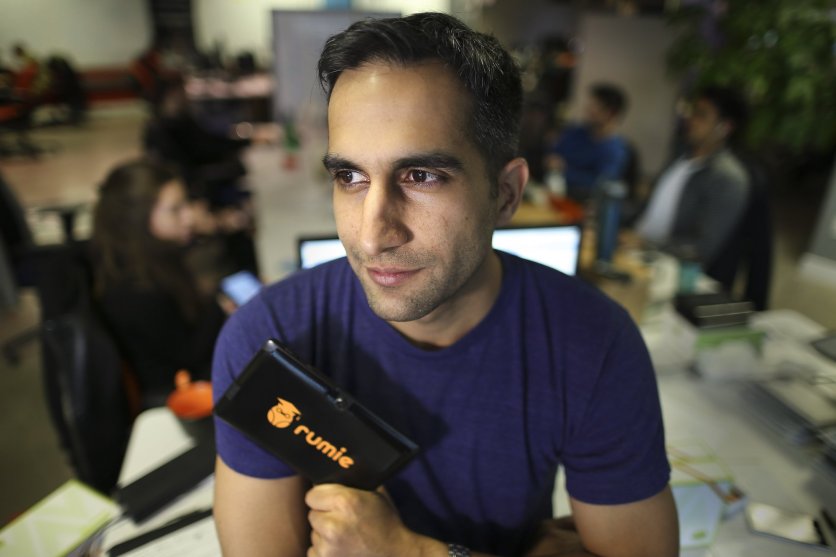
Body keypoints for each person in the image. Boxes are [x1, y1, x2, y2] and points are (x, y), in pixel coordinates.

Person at [212, 12, 677, 557]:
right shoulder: (269, 335)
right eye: (350, 176)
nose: (372, 235)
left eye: (422, 176)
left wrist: (410, 552)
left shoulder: (592, 343)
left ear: (506, 193)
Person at [92, 159, 227, 407]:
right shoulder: (135, 290)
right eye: (175, 209)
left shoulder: (151, 258)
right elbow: (188, 354)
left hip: (192, 366)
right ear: (138, 219)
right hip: (181, 391)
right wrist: (220, 306)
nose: (189, 217)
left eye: (185, 203)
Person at [635, 86, 750, 269]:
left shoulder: (728, 179)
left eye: (701, 115)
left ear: (724, 128)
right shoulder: (681, 157)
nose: (691, 119)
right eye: (693, 112)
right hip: (634, 247)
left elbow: (699, 248)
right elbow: (646, 209)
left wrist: (645, 243)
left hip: (664, 264)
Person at [544, 83, 629, 201]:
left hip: (581, 202)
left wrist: (564, 170)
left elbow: (600, 184)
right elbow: (555, 152)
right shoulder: (576, 132)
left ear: (610, 113)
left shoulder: (615, 151)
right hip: (551, 191)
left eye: (594, 106)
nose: (588, 110)